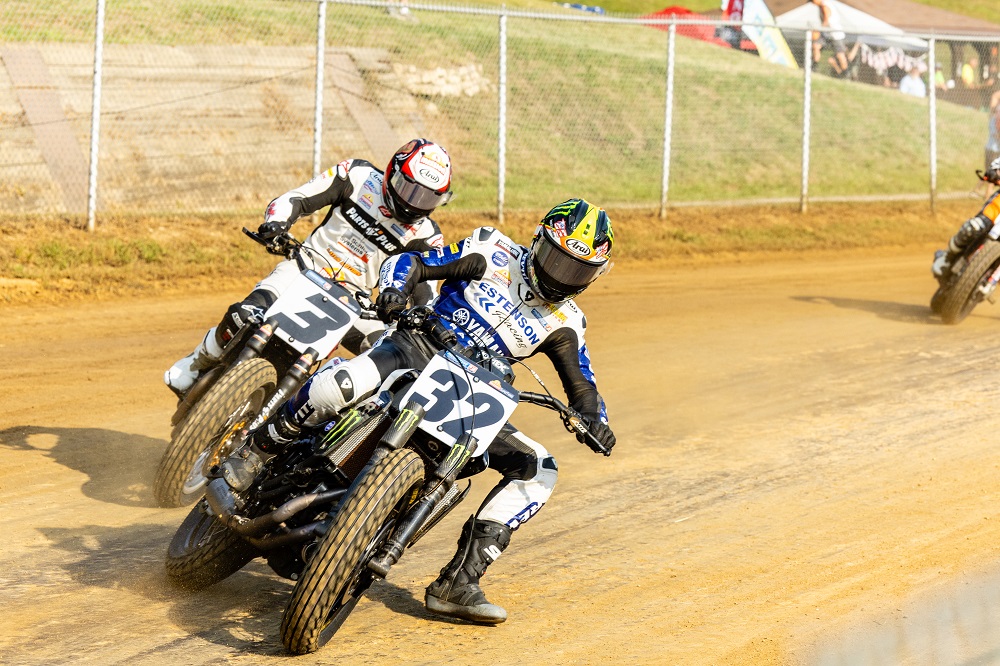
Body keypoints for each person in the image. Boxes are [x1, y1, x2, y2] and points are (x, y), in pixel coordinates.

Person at [220, 198, 618, 624]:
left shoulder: (567, 321)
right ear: (538, 242)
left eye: (577, 270)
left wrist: (596, 421)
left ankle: (459, 582)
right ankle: (259, 447)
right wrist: (394, 293)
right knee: (342, 383)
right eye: (557, 259)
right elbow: (412, 262)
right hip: (417, 347)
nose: (561, 276)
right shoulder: (492, 250)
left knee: (540, 467)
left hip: (474, 395)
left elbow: (584, 387)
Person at [163, 138, 452, 396]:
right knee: (243, 315)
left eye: (427, 198)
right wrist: (275, 224)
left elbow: (426, 288)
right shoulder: (357, 175)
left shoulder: (427, 235)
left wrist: (416, 314)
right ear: (393, 171)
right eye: (409, 189)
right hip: (306, 267)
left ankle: (317, 429)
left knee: (389, 357)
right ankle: (197, 361)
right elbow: (296, 198)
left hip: (356, 303)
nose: (413, 204)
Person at [931, 157, 1000, 279]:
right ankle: (947, 258)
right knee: (973, 227)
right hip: (997, 208)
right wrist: (995, 171)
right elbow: (997, 165)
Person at [809, 0, 848, 76]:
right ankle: (814, 66)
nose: (812, 3)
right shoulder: (821, 7)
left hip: (835, 34)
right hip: (826, 33)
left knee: (840, 54)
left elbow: (826, 21)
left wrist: (817, 30)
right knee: (816, 46)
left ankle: (845, 73)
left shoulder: (825, 6)